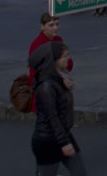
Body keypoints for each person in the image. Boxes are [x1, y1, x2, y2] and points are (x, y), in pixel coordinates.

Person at [30, 41, 85, 176]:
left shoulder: (59, 79)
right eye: (65, 56)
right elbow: (52, 117)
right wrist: (64, 143)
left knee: (80, 172)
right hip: (48, 141)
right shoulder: (47, 86)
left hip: (62, 135)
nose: (69, 58)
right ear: (53, 60)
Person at [29, 13, 73, 112]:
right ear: (42, 27)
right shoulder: (37, 44)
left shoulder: (59, 40)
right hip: (44, 90)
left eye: (57, 24)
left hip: (58, 89)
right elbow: (37, 71)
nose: (55, 28)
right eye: (51, 25)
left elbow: (69, 64)